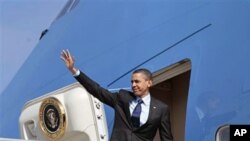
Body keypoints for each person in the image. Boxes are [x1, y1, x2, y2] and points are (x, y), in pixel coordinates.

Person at [60, 49, 173, 141]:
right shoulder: (122, 98)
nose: (133, 85)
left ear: (149, 83)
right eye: (132, 82)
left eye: (137, 81)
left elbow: (167, 138)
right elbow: (97, 90)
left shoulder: (161, 109)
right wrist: (74, 70)